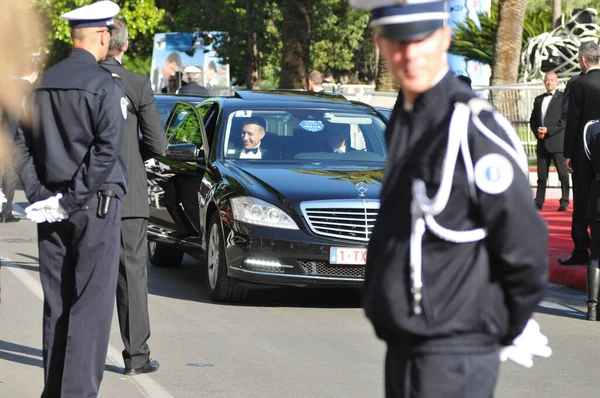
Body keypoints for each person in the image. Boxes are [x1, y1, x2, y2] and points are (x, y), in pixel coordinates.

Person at [349, 1, 551, 396]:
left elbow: (524, 246)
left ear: (444, 37)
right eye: (396, 41)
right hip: (406, 344)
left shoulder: (472, 127)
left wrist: (495, 329)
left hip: (455, 349)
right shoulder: (405, 121)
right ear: (380, 44)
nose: (409, 54)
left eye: (421, 39)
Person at [12, 2, 128, 396]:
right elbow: (106, 149)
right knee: (90, 308)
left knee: (57, 304)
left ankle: (54, 391)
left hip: (53, 208)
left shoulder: (41, 84)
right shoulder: (104, 84)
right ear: (102, 35)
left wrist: (41, 194)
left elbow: (20, 143)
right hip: (94, 206)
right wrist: (70, 198)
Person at [99, 18, 166, 376]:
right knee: (132, 276)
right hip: (128, 196)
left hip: (87, 196)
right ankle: (137, 358)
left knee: (88, 276)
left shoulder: (81, 81)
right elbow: (158, 143)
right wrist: (131, 149)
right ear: (124, 46)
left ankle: (81, 353)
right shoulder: (138, 83)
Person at [560, 41, 600, 266]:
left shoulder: (578, 84)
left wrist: (568, 154)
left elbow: (573, 122)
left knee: (582, 198)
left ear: (583, 59)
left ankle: (581, 249)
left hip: (584, 152)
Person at [0, 64, 38, 223]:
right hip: (16, 139)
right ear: (33, 73)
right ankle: (5, 213)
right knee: (11, 176)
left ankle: (5, 212)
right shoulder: (28, 88)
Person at [530, 71, 569, 211]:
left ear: (557, 81)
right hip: (542, 143)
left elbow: (565, 120)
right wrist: (537, 133)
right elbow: (532, 120)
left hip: (557, 143)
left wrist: (549, 130)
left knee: (563, 174)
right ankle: (539, 200)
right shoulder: (538, 99)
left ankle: (564, 200)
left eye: (551, 80)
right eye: (547, 80)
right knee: (541, 176)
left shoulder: (563, 98)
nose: (549, 82)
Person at [583, 119, 600, 320]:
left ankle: (592, 309)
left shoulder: (592, 130)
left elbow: (585, 164)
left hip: (596, 193)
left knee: (596, 249)